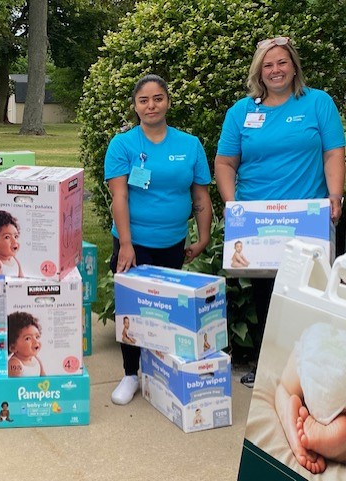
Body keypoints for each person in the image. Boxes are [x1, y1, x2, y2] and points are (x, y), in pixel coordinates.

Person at [214, 36, 345, 387]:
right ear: (259, 71)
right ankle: (268, 366)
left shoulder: (318, 103)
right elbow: (225, 163)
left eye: (282, 62)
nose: (275, 70)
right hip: (260, 224)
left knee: (312, 295)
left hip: (309, 218)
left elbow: (333, 152)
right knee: (266, 295)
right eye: (268, 65)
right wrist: (232, 205)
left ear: (294, 67)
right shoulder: (241, 112)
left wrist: (336, 195)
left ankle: (311, 372)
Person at [104, 74, 212, 405]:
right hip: (133, 244)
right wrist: (126, 243)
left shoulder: (189, 144)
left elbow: (200, 195)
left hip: (173, 243)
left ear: (168, 101)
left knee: (164, 312)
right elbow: (119, 197)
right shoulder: (123, 145)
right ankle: (130, 374)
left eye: (158, 98)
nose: (151, 105)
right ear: (135, 106)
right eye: (144, 100)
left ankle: (159, 370)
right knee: (132, 310)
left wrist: (204, 235)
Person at [275, 322, 346, 474]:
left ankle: (291, 426)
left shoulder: (323, 331)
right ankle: (336, 432)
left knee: (284, 389)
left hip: (316, 347)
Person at [7, 311, 45, 377]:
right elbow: (14, 385)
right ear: (13, 347)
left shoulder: (36, 360)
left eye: (37, 337)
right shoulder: (15, 364)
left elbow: (44, 378)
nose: (36, 341)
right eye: (28, 338)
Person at [0, 209, 23, 277]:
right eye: (7, 237)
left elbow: (22, 279)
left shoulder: (15, 260)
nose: (14, 241)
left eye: (16, 236)